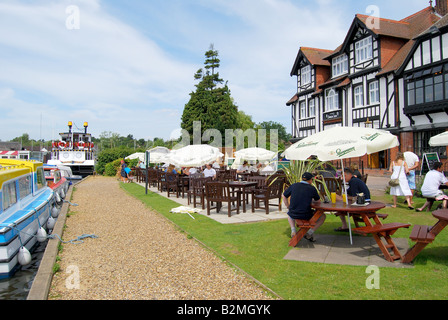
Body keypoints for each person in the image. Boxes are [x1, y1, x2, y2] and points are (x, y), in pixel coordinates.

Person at [282, 172, 325, 242]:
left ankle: (293, 230)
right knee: (322, 216)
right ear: (310, 180)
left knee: (289, 214)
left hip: (293, 213)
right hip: (305, 215)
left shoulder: (294, 185)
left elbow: (283, 196)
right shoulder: (312, 188)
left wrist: (288, 206)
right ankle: (309, 233)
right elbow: (318, 201)